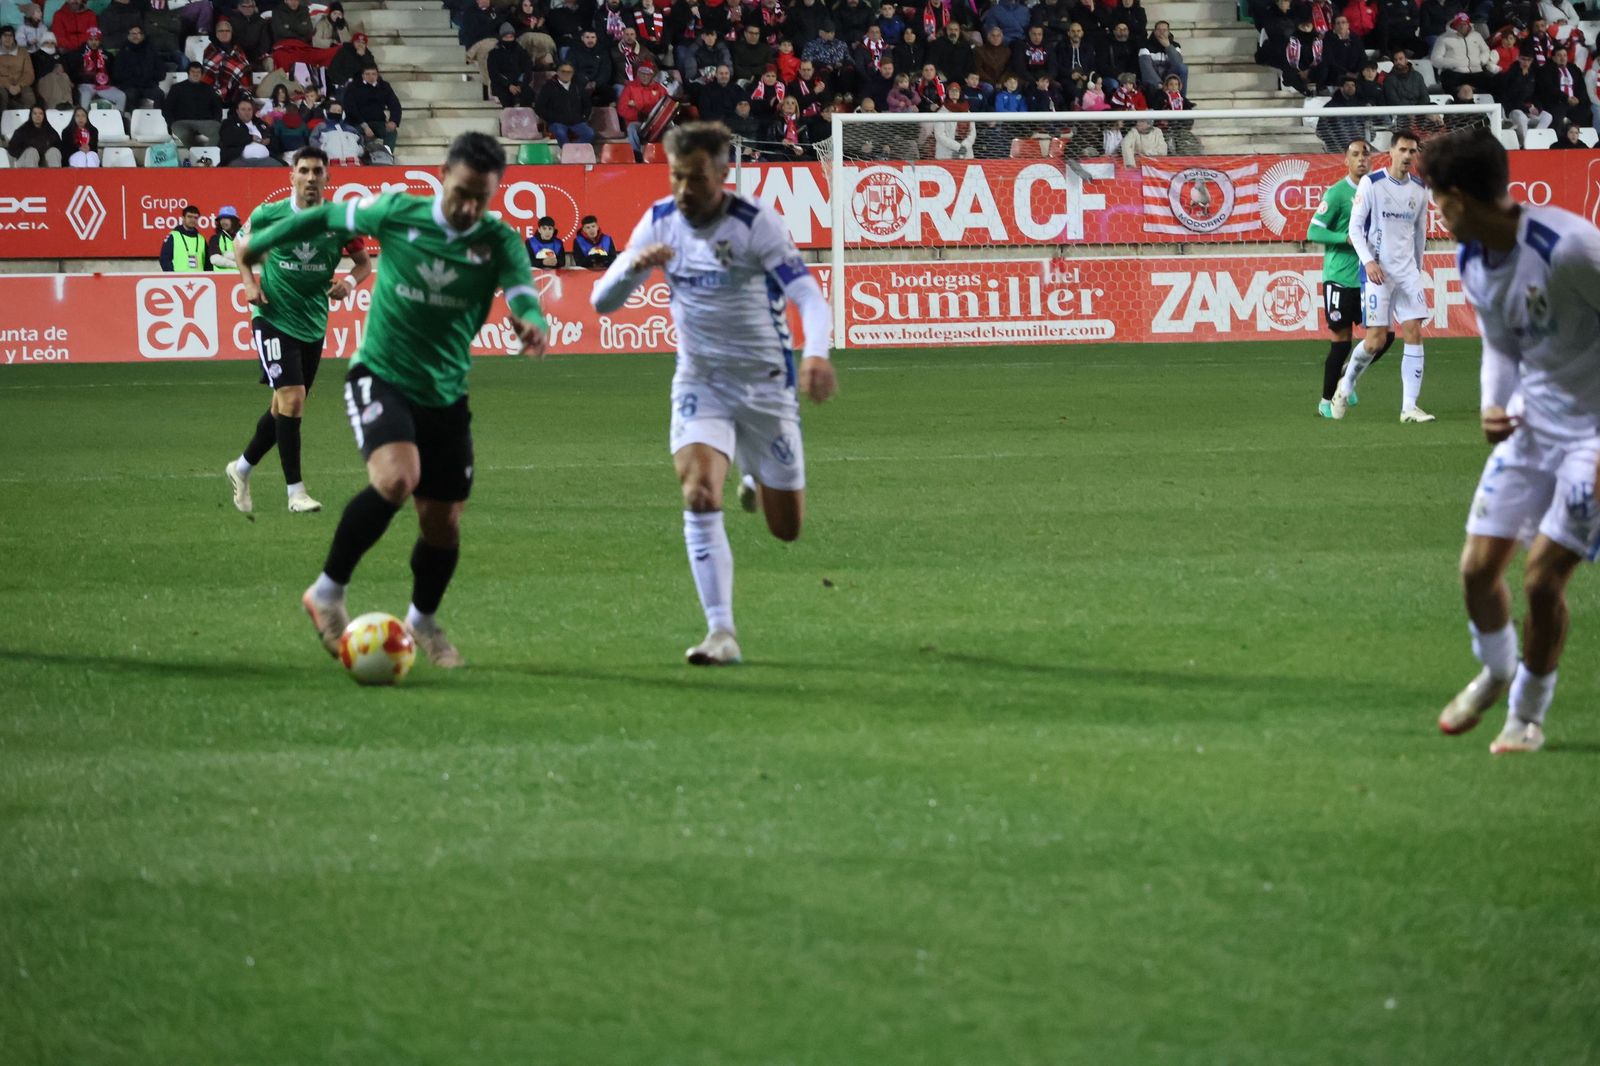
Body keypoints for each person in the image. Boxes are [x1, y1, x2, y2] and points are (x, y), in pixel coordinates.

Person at [235, 132, 550, 666]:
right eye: (462, 191)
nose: (468, 205)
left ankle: (422, 621)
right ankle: (327, 592)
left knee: (442, 522)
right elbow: (326, 220)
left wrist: (532, 321)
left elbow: (521, 290)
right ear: (444, 177)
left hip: (446, 390)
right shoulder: (400, 211)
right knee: (396, 478)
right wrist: (262, 243)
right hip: (380, 374)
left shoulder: (498, 241)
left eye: (482, 197)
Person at [590, 120, 835, 666]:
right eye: (677, 177)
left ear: (723, 175)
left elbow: (811, 299)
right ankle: (720, 632)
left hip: (766, 385)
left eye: (696, 179)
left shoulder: (756, 225)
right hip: (700, 379)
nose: (684, 190)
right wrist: (634, 267)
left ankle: (752, 469)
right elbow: (602, 303)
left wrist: (815, 353)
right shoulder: (658, 221)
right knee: (699, 492)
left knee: (786, 529)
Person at [1424, 127, 1600, 753]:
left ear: (1461, 198)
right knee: (1476, 571)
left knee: (1540, 582)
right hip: (1531, 427)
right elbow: (1500, 344)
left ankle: (1527, 713)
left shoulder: (1572, 249)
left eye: (1435, 197)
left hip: (1593, 439)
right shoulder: (1472, 254)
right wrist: (1492, 403)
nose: (1432, 210)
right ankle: (1497, 671)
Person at [227, 148, 374, 517]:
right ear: (291, 176)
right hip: (272, 317)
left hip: (313, 323)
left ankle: (241, 468)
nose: (311, 177)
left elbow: (363, 264)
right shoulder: (270, 214)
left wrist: (349, 285)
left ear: (327, 178)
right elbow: (240, 247)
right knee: (293, 399)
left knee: (282, 409)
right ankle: (296, 492)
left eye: (318, 171)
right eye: (304, 170)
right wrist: (248, 283)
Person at [1330, 130, 1433, 422]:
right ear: (1391, 152)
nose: (1408, 156)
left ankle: (1409, 408)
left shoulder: (1419, 188)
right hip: (1378, 271)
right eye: (1403, 150)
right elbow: (1354, 229)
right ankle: (1346, 383)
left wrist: (1418, 266)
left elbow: (1420, 232)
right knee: (1375, 341)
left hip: (1407, 272)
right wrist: (1369, 262)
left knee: (1413, 330)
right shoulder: (1371, 184)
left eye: (1413, 151)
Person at [1307, 138, 1395, 417]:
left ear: (1371, 160)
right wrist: (1346, 238)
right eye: (1355, 155)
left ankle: (1348, 375)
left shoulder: (1379, 192)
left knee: (1384, 336)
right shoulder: (1336, 194)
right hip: (1341, 277)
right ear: (1346, 160)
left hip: (1369, 277)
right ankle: (1324, 402)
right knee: (1341, 339)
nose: (1361, 159)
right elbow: (1313, 232)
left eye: (1365, 155)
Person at [1429, 12, 1497, 95]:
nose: (1463, 26)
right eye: (1460, 24)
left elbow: (1486, 50)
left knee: (1493, 82)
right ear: (1455, 25)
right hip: (1456, 72)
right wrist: (1454, 63)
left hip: (1475, 71)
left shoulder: (1476, 36)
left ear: (1468, 25)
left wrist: (1481, 60)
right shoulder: (1444, 38)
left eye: (1465, 24)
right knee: (1447, 77)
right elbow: (1435, 59)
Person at [342, 64, 402, 154]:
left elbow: (395, 105)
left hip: (378, 121)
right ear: (363, 75)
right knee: (355, 134)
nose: (371, 77)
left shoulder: (384, 86)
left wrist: (393, 120)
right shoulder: (353, 87)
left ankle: (386, 155)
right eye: (368, 74)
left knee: (391, 132)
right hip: (357, 123)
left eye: (373, 74)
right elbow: (350, 108)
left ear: (377, 75)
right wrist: (365, 126)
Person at [535, 60, 594, 145]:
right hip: (557, 122)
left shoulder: (578, 86)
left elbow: (587, 105)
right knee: (561, 134)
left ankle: (572, 151)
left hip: (576, 121)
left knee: (589, 133)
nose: (566, 74)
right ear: (557, 72)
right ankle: (568, 154)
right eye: (563, 71)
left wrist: (583, 117)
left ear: (573, 73)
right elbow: (539, 108)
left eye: (569, 72)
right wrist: (553, 118)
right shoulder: (549, 87)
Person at [165, 61, 223, 147]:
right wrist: (172, 123)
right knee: (184, 134)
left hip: (205, 121)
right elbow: (167, 109)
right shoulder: (177, 88)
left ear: (202, 74)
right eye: (193, 72)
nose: (195, 74)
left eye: (198, 72)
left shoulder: (209, 89)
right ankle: (196, 154)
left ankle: (207, 154)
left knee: (220, 130)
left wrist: (216, 121)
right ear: (188, 73)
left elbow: (217, 107)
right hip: (182, 122)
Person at [616, 61, 665, 159]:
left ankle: (674, 156)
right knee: (631, 128)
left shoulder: (659, 88)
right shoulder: (630, 87)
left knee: (674, 128)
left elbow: (665, 106)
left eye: (648, 74)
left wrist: (657, 118)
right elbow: (622, 108)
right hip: (638, 122)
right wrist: (637, 115)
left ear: (652, 75)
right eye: (642, 74)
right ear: (638, 74)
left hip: (655, 123)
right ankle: (636, 156)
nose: (645, 77)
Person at [487, 21, 533, 107]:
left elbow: (527, 70)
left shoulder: (521, 52)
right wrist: (508, 85)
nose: (509, 40)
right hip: (501, 85)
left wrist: (520, 85)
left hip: (519, 84)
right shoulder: (494, 53)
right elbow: (494, 73)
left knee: (528, 94)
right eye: (506, 37)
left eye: (511, 37)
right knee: (506, 98)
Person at [220, 96, 273, 164]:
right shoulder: (229, 123)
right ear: (237, 111)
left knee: (282, 166)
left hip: (265, 160)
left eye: (249, 109)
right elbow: (228, 139)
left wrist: (269, 140)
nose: (247, 112)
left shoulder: (260, 123)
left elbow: (272, 137)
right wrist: (251, 138)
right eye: (243, 109)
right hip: (239, 160)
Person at [160, 204, 209, 271]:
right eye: (189, 217)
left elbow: (207, 263)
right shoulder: (173, 236)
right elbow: (165, 260)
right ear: (183, 218)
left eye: (195, 218)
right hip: (178, 280)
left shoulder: (201, 239)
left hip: (199, 280)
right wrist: (172, 277)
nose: (192, 220)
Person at [0, 23, 34, 111]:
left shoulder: (23, 52)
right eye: (5, 35)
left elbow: (29, 74)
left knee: (29, 97)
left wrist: (19, 85)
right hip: (2, 85)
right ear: (0, 38)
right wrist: (8, 85)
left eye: (10, 35)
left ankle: (27, 123)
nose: (8, 38)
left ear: (14, 37)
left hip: (21, 84)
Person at [208, 203, 242, 270]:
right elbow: (214, 259)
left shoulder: (244, 238)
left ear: (234, 221)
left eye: (227, 218)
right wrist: (237, 265)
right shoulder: (215, 238)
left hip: (242, 279)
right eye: (221, 219)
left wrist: (227, 255)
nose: (223, 222)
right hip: (221, 279)